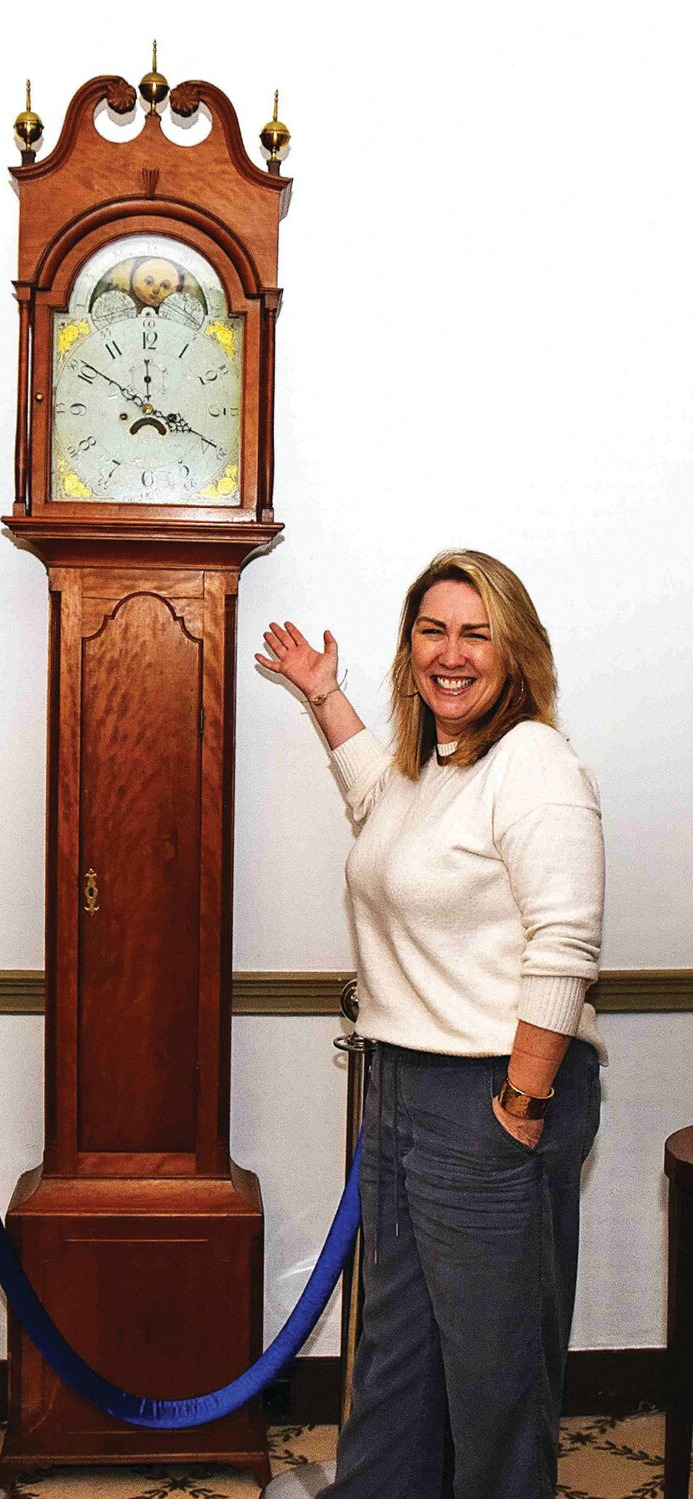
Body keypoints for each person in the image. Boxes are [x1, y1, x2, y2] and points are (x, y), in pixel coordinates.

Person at [256, 549, 605, 1499]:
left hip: (492, 1091)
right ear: (410, 647)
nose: (451, 653)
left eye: (475, 633)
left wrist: (522, 1105)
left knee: (495, 1375)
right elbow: (381, 805)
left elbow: (565, 941)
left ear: (516, 650)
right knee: (398, 1352)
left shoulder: (534, 761)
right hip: (404, 1085)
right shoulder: (435, 765)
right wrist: (325, 696)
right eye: (432, 630)